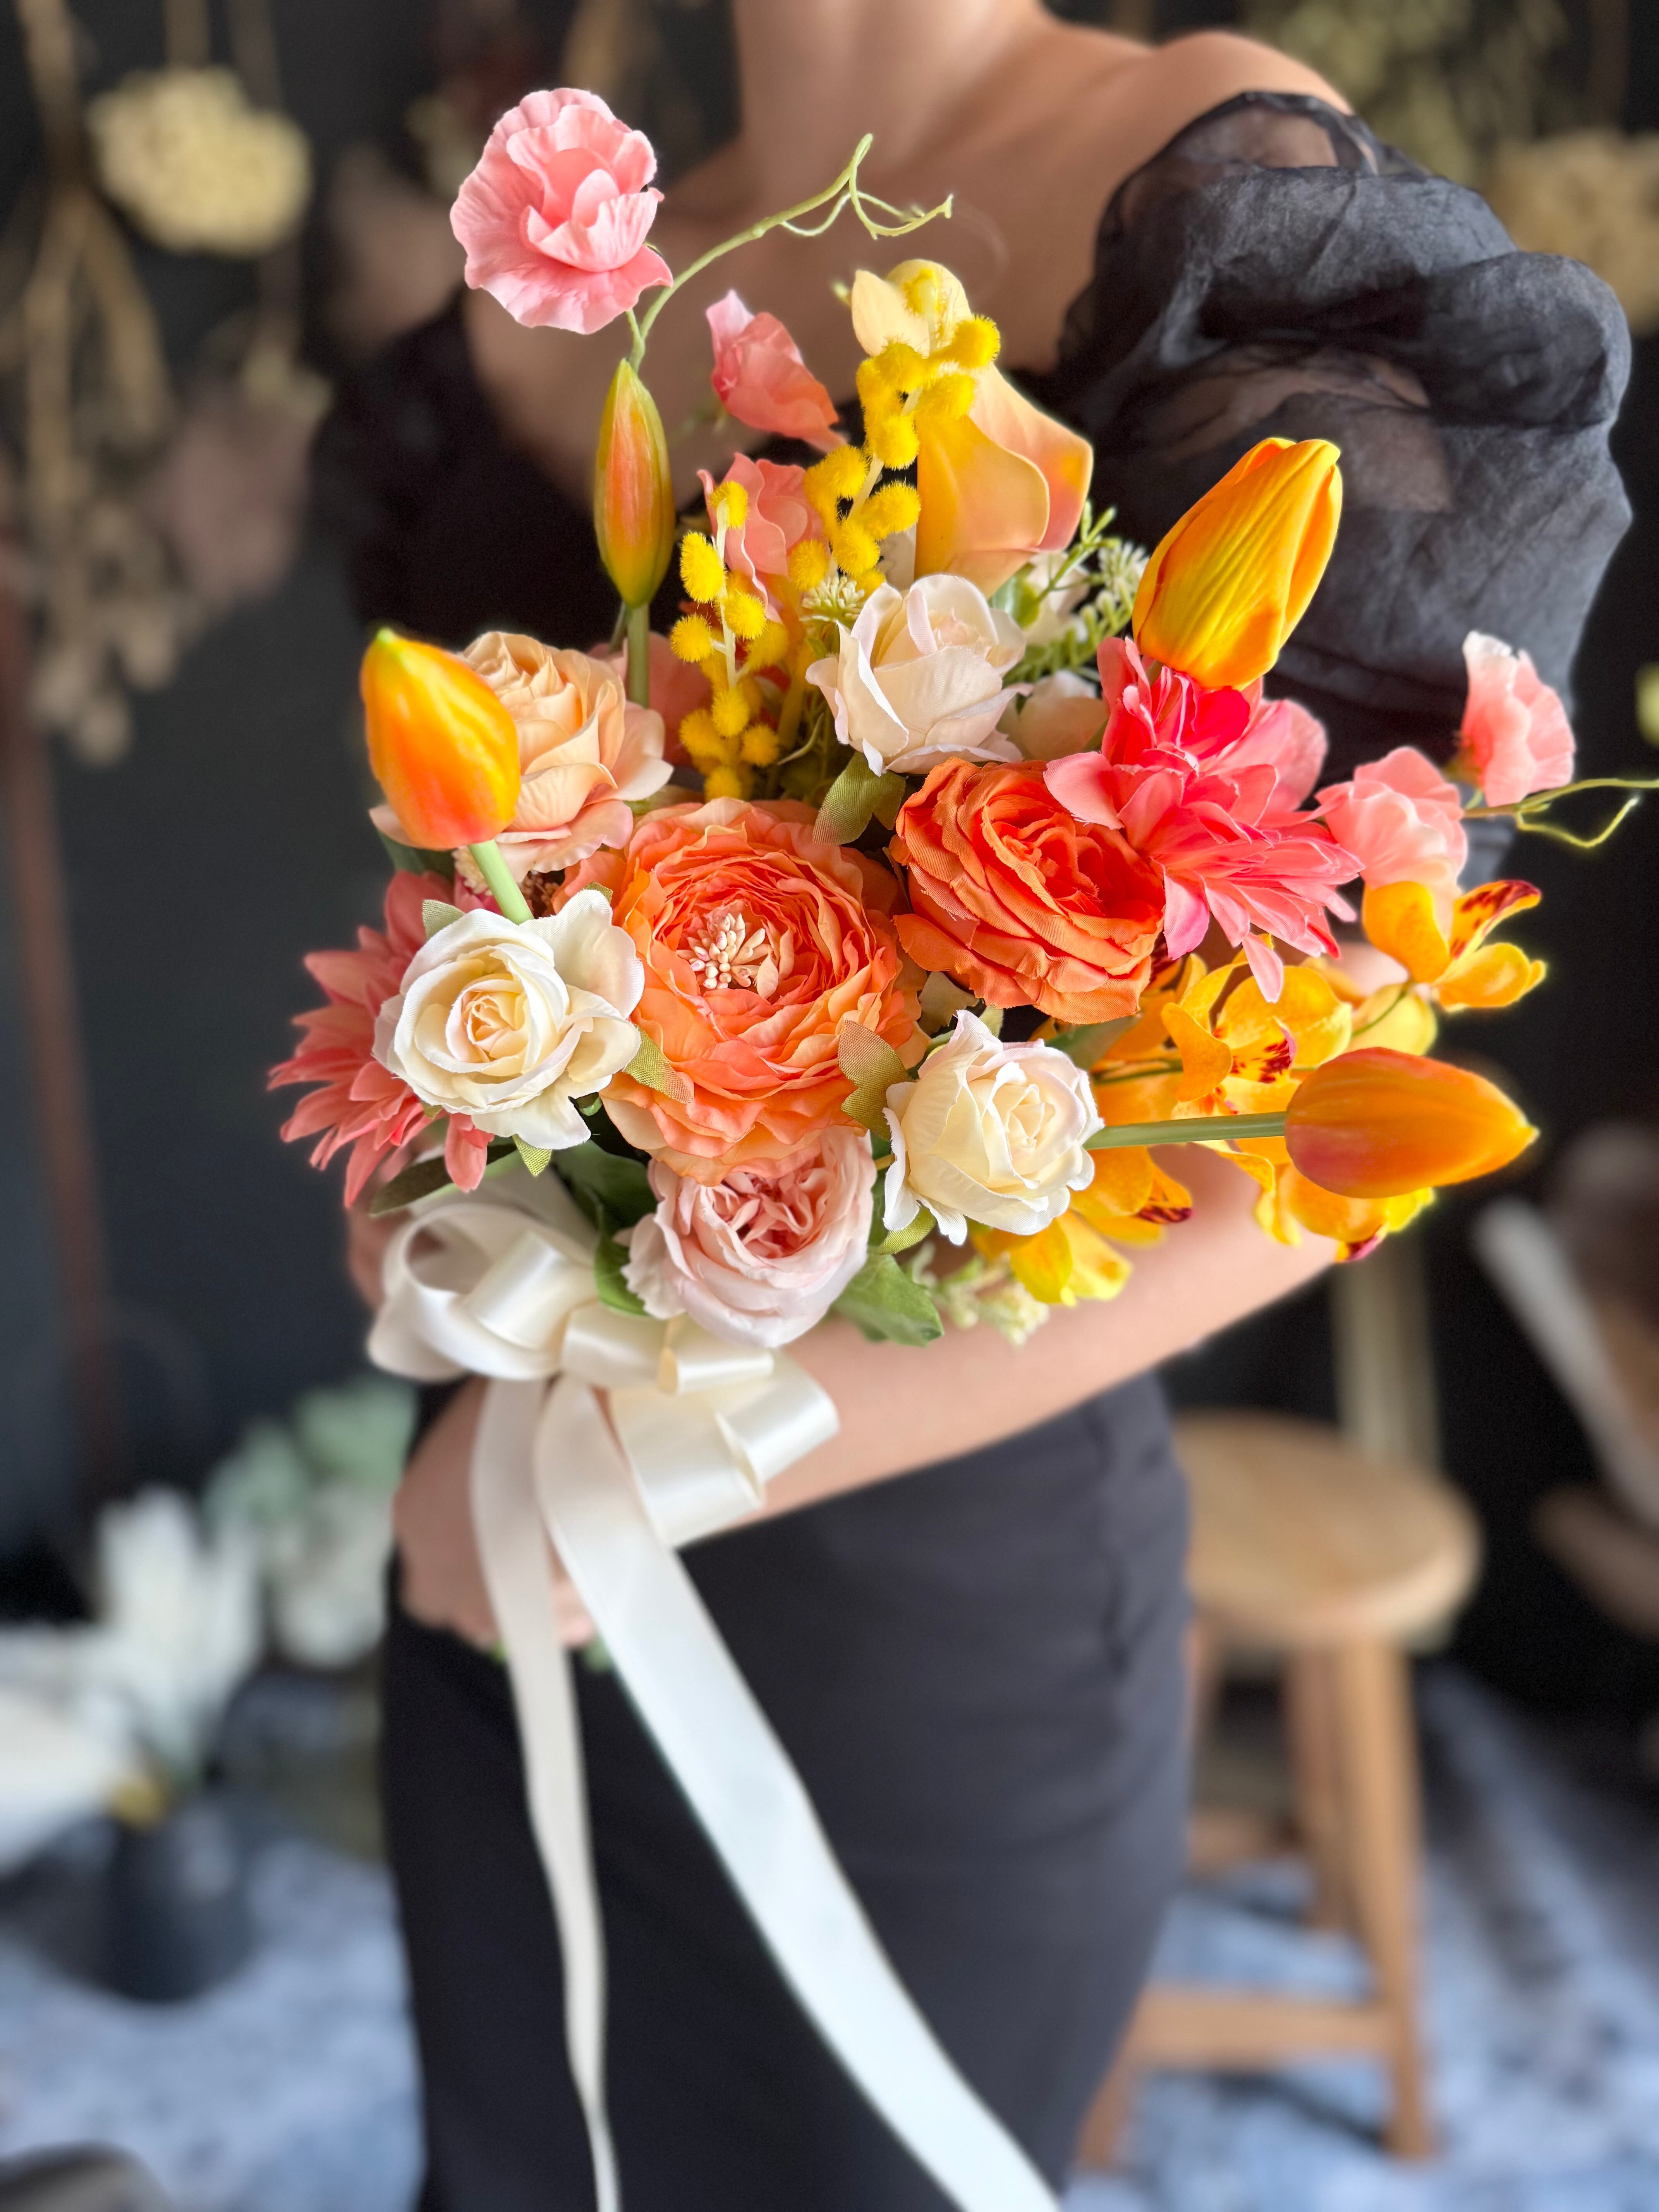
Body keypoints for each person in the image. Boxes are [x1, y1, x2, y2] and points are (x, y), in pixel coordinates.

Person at [315, 5, 1629, 2205]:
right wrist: (420, 1150)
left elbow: (1332, 1116)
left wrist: (617, 1473)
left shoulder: (1215, 198)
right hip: (500, 1533)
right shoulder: (582, 251)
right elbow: (453, 863)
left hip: (911, 1626)